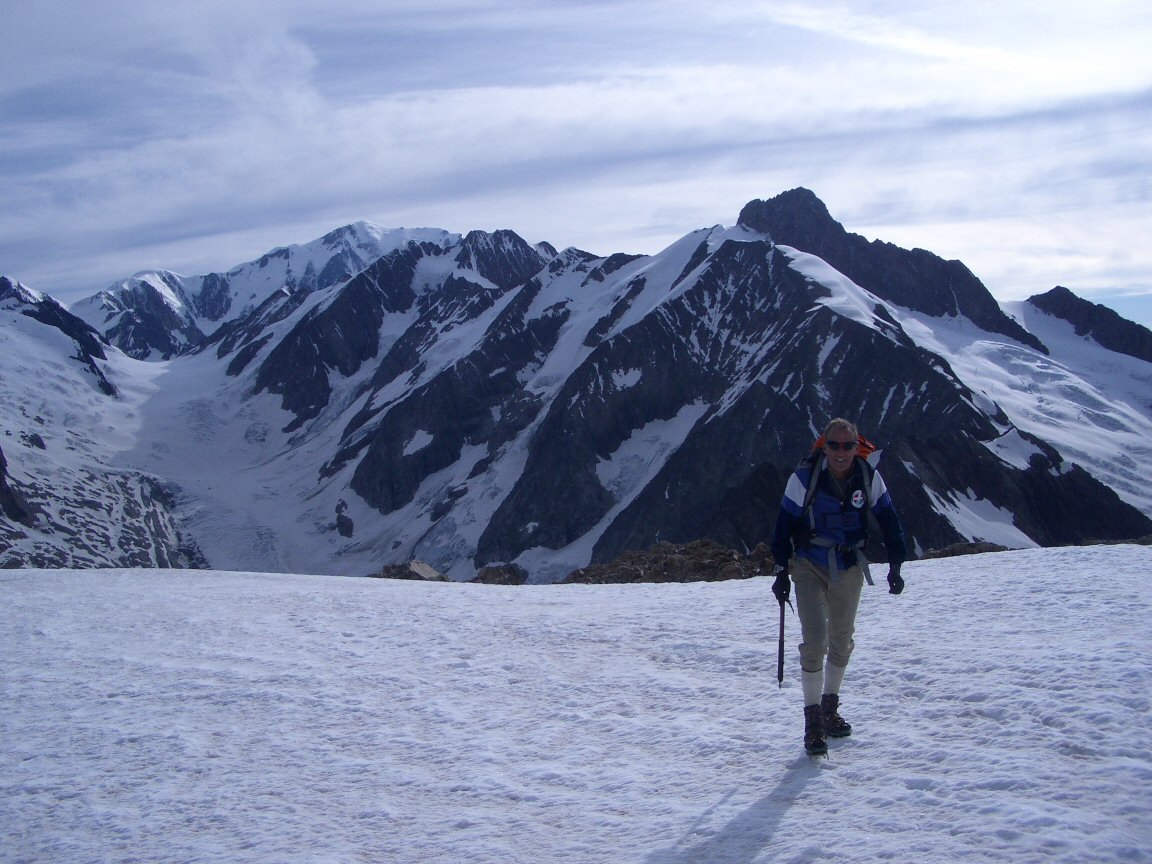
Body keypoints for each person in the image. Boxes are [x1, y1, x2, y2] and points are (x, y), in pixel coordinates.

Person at [770, 418, 907, 756]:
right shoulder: (804, 478)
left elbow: (890, 520)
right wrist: (781, 571)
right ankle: (814, 722)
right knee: (815, 641)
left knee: (842, 640)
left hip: (849, 567)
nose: (841, 452)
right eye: (834, 445)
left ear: (857, 446)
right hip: (809, 566)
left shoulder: (868, 477)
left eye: (848, 445)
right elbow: (783, 526)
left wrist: (896, 564)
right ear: (824, 446)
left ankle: (829, 709)